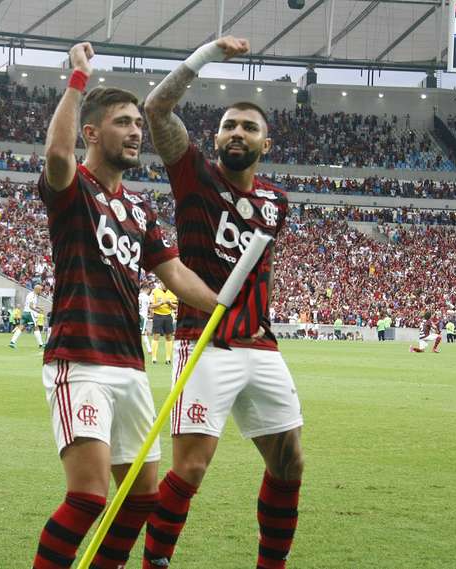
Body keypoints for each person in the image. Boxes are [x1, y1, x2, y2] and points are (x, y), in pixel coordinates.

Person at [31, 42, 218, 569]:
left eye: (139, 123)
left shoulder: (138, 206)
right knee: (89, 497)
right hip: (80, 360)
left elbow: (176, 274)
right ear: (93, 133)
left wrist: (227, 303)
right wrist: (77, 81)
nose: (137, 132)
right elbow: (56, 157)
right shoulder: (73, 189)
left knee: (141, 499)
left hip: (130, 367)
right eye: (123, 123)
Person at [142, 35, 305, 569]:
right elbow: (156, 108)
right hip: (203, 340)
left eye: (249, 127)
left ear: (266, 144)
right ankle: (156, 561)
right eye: (229, 125)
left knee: (289, 462)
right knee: (191, 468)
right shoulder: (194, 175)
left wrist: (264, 317)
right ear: (215, 138)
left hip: (260, 345)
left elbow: (267, 268)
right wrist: (204, 56)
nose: (237, 132)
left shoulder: (276, 202)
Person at [150, 281, 178, 364]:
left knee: (169, 336)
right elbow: (151, 306)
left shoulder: (172, 292)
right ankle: (154, 358)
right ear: (160, 282)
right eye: (163, 282)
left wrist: (169, 303)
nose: (165, 284)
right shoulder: (155, 291)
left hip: (168, 316)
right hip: (157, 315)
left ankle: (168, 358)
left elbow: (175, 307)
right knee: (156, 336)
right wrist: (160, 303)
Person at [10, 284, 44, 349]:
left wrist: (38, 307)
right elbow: (31, 306)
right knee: (36, 327)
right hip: (30, 313)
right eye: (40, 290)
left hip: (25, 312)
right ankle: (41, 344)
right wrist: (37, 311)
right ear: (37, 289)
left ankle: (12, 342)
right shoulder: (34, 296)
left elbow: (31, 304)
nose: (41, 292)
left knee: (21, 327)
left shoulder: (30, 294)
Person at [139, 284, 153, 355]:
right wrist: (151, 315)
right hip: (143, 317)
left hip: (137, 315)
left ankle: (149, 349)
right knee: (143, 333)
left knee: (143, 333)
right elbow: (149, 307)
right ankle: (149, 349)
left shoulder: (138, 296)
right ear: (147, 289)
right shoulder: (146, 297)